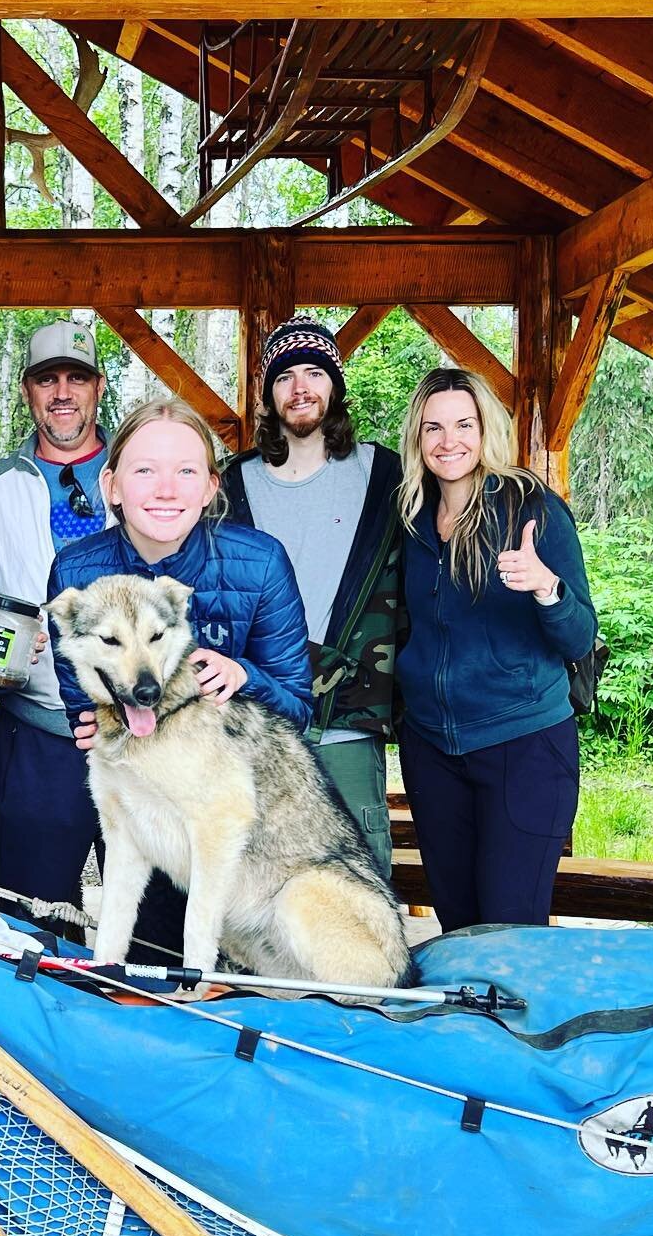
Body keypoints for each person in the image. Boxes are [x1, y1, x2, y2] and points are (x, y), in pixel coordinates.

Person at [49, 398, 312, 959]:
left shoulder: (260, 562)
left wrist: (244, 676)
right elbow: (81, 689)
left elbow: (298, 706)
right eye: (145, 470)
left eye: (186, 471)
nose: (166, 489)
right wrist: (91, 718)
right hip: (144, 807)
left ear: (211, 487)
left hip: (244, 828)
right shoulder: (76, 572)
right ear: (113, 485)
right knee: (151, 967)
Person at [394, 367, 596, 932]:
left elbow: (580, 636)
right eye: (433, 427)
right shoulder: (409, 517)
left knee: (512, 928)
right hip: (433, 750)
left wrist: (545, 588)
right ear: (417, 438)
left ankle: (525, 1024)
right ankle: (471, 1023)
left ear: (486, 430)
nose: (448, 440)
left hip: (524, 746)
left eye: (464, 424)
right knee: (459, 929)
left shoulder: (533, 509)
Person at [222, 315, 402, 877]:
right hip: (254, 717)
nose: (300, 387)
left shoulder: (385, 475)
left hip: (348, 714)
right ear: (270, 397)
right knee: (253, 881)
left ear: (335, 386)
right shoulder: (231, 484)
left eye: (314, 372)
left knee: (357, 884)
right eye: (284, 377)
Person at [0, 320, 109, 907]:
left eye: (78, 378)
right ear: (28, 391)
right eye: (48, 379)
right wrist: (1, 647)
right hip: (38, 735)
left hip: (148, 736)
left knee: (155, 928)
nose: (63, 393)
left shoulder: (144, 473)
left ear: (98, 388)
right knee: (34, 914)